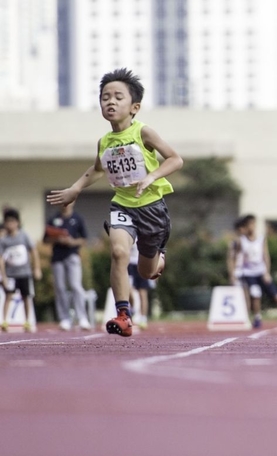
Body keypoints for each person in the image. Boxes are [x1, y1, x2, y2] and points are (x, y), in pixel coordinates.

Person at [46, 68, 183, 337]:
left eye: (118, 97)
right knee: (119, 253)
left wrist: (151, 177)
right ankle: (124, 315)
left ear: (135, 107)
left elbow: (175, 159)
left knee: (145, 273)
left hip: (152, 208)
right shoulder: (105, 141)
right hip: (122, 205)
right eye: (105, 97)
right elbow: (98, 169)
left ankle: (159, 257)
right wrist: (75, 188)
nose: (110, 101)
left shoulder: (144, 133)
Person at [44, 203, 91, 331]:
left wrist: (71, 241)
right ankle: (64, 318)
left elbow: (84, 239)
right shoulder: (53, 219)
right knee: (60, 288)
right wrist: (57, 239)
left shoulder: (78, 218)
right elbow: (46, 239)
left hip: (72, 256)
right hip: (57, 257)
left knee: (76, 286)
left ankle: (82, 318)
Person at [240, 214, 277, 328]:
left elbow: (265, 255)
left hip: (261, 271)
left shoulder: (261, 239)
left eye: (253, 224)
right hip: (249, 272)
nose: (251, 227)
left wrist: (267, 272)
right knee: (255, 292)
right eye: (249, 225)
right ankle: (257, 317)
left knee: (274, 292)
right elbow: (239, 257)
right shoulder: (242, 240)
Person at [0, 208, 41, 332]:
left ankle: (27, 321)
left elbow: (33, 251)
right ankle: (5, 321)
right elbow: (1, 259)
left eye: (12, 221)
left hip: (24, 273)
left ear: (17, 222)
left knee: (26, 297)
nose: (10, 224)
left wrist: (37, 268)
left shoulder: (24, 236)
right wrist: (4, 276)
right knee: (8, 296)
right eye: (7, 222)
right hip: (11, 274)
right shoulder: (4, 240)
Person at [128, 240, 151, 330]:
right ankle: (132, 309)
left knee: (143, 292)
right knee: (128, 290)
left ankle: (143, 318)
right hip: (130, 264)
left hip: (142, 263)